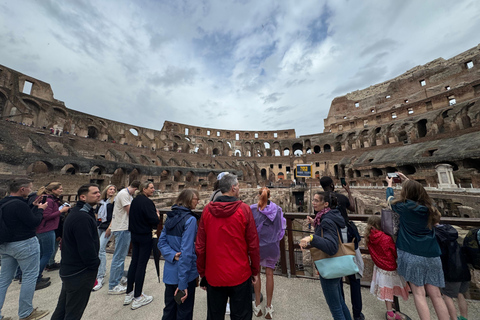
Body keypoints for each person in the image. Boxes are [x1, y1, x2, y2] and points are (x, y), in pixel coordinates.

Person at [196, 173, 260, 320]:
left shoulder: (207, 210)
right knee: (241, 316)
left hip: (214, 275)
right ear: (233, 188)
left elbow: (200, 246)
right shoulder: (244, 209)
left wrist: (203, 273)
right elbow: (253, 244)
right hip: (240, 274)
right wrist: (254, 270)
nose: (239, 189)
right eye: (237, 186)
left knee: (215, 316)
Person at [386, 173, 449, 320]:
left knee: (419, 294)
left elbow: (389, 200)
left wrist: (390, 184)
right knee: (437, 296)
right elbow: (418, 192)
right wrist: (408, 181)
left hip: (411, 253)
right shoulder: (430, 208)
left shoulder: (403, 207)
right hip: (432, 255)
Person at [0, 178, 49, 320]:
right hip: (24, 244)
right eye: (29, 188)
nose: (31, 190)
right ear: (22, 189)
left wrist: (32, 206)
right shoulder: (19, 205)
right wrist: (40, 210)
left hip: (6, 245)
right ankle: (26, 313)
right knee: (29, 276)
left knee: (4, 280)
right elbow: (34, 222)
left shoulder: (4, 202)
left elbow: (17, 218)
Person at [51, 183, 101, 320]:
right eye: (95, 193)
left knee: (62, 310)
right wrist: (94, 265)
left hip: (70, 270)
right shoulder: (82, 217)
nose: (98, 194)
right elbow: (86, 248)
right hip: (79, 272)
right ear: (83, 197)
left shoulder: (78, 213)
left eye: (98, 192)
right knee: (73, 313)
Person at [300, 191, 352, 320]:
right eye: (313, 200)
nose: (313, 203)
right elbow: (327, 232)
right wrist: (315, 224)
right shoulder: (329, 216)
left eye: (317, 200)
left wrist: (311, 238)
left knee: (335, 308)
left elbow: (332, 247)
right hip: (336, 265)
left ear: (326, 204)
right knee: (340, 303)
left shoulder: (326, 220)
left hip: (329, 266)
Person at [320, 176, 364, 320]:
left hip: (332, 244)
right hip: (348, 242)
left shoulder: (320, 201)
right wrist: (349, 191)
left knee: (337, 281)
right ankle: (357, 314)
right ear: (332, 185)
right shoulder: (341, 197)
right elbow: (352, 208)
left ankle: (343, 310)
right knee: (354, 279)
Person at [159, 189, 200, 320]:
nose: (198, 202)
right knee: (184, 313)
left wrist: (171, 255)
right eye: (196, 199)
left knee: (169, 310)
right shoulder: (190, 220)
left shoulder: (171, 216)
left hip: (170, 274)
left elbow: (161, 242)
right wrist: (183, 285)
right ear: (188, 200)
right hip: (184, 276)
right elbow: (186, 253)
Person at [365, 215, 410, 320]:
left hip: (380, 268)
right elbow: (394, 252)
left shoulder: (369, 237)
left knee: (387, 290)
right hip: (390, 267)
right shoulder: (386, 238)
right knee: (391, 290)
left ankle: (390, 311)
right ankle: (391, 314)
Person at [124, 182, 160, 310]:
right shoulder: (147, 202)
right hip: (145, 235)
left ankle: (129, 292)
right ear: (144, 189)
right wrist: (157, 215)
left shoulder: (135, 201)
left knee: (134, 262)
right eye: (151, 188)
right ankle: (138, 296)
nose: (153, 189)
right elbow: (154, 220)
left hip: (135, 235)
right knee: (141, 265)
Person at [250, 187, 285, 319]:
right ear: (270, 196)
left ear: (259, 195)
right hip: (272, 246)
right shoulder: (278, 209)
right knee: (270, 274)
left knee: (256, 273)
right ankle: (269, 308)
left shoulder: (252, 209)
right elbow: (281, 229)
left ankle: (258, 305)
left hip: (257, 246)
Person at [106, 180, 140, 294]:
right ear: (136, 189)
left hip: (124, 228)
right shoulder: (124, 194)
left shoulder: (126, 194)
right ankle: (113, 285)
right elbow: (131, 211)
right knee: (119, 256)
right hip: (122, 228)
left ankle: (119, 277)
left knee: (121, 255)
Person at [35, 182, 69, 285]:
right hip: (46, 229)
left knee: (41, 254)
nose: (61, 190)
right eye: (59, 189)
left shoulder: (48, 199)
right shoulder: (49, 200)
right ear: (53, 190)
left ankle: (35, 276)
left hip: (44, 229)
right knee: (47, 254)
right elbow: (46, 215)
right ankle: (36, 277)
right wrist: (61, 211)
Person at [435, 221, 470, 320]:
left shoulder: (436, 235)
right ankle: (464, 317)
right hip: (463, 269)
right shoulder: (450, 230)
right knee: (460, 294)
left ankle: (453, 318)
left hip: (450, 271)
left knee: (447, 295)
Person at [92, 184, 116, 291]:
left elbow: (115, 215)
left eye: (114, 190)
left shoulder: (114, 201)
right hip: (99, 226)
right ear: (106, 190)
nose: (112, 191)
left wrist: (110, 227)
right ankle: (101, 269)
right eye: (110, 189)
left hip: (108, 227)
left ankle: (100, 276)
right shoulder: (101, 201)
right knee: (96, 248)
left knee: (101, 249)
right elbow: (96, 213)